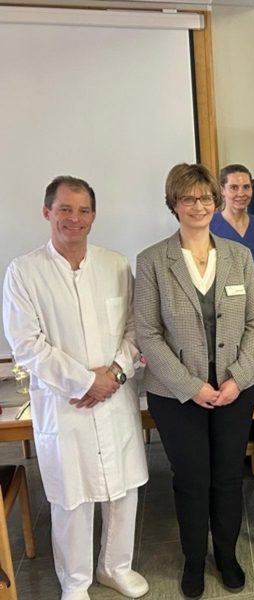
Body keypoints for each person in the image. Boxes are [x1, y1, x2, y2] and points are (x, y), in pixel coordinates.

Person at [3, 176, 149, 600]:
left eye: (83, 210)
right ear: (47, 212)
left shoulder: (115, 264)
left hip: (115, 397)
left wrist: (115, 376)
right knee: (72, 498)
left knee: (123, 489)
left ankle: (116, 567)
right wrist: (86, 381)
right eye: (65, 209)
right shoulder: (24, 272)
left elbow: (135, 327)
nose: (75, 218)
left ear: (94, 216)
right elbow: (27, 344)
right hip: (64, 402)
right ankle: (76, 581)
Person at [135, 163, 254, 598]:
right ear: (173, 203)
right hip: (176, 395)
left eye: (205, 198)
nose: (198, 206)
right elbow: (148, 333)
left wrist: (238, 378)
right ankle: (194, 560)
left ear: (216, 201)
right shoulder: (153, 260)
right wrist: (191, 386)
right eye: (188, 198)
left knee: (227, 477)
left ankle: (225, 555)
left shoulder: (238, 257)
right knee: (191, 478)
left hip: (235, 388)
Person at [210, 163, 254, 269]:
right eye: (234, 187)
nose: (241, 193)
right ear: (222, 190)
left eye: (246, 187)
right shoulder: (210, 225)